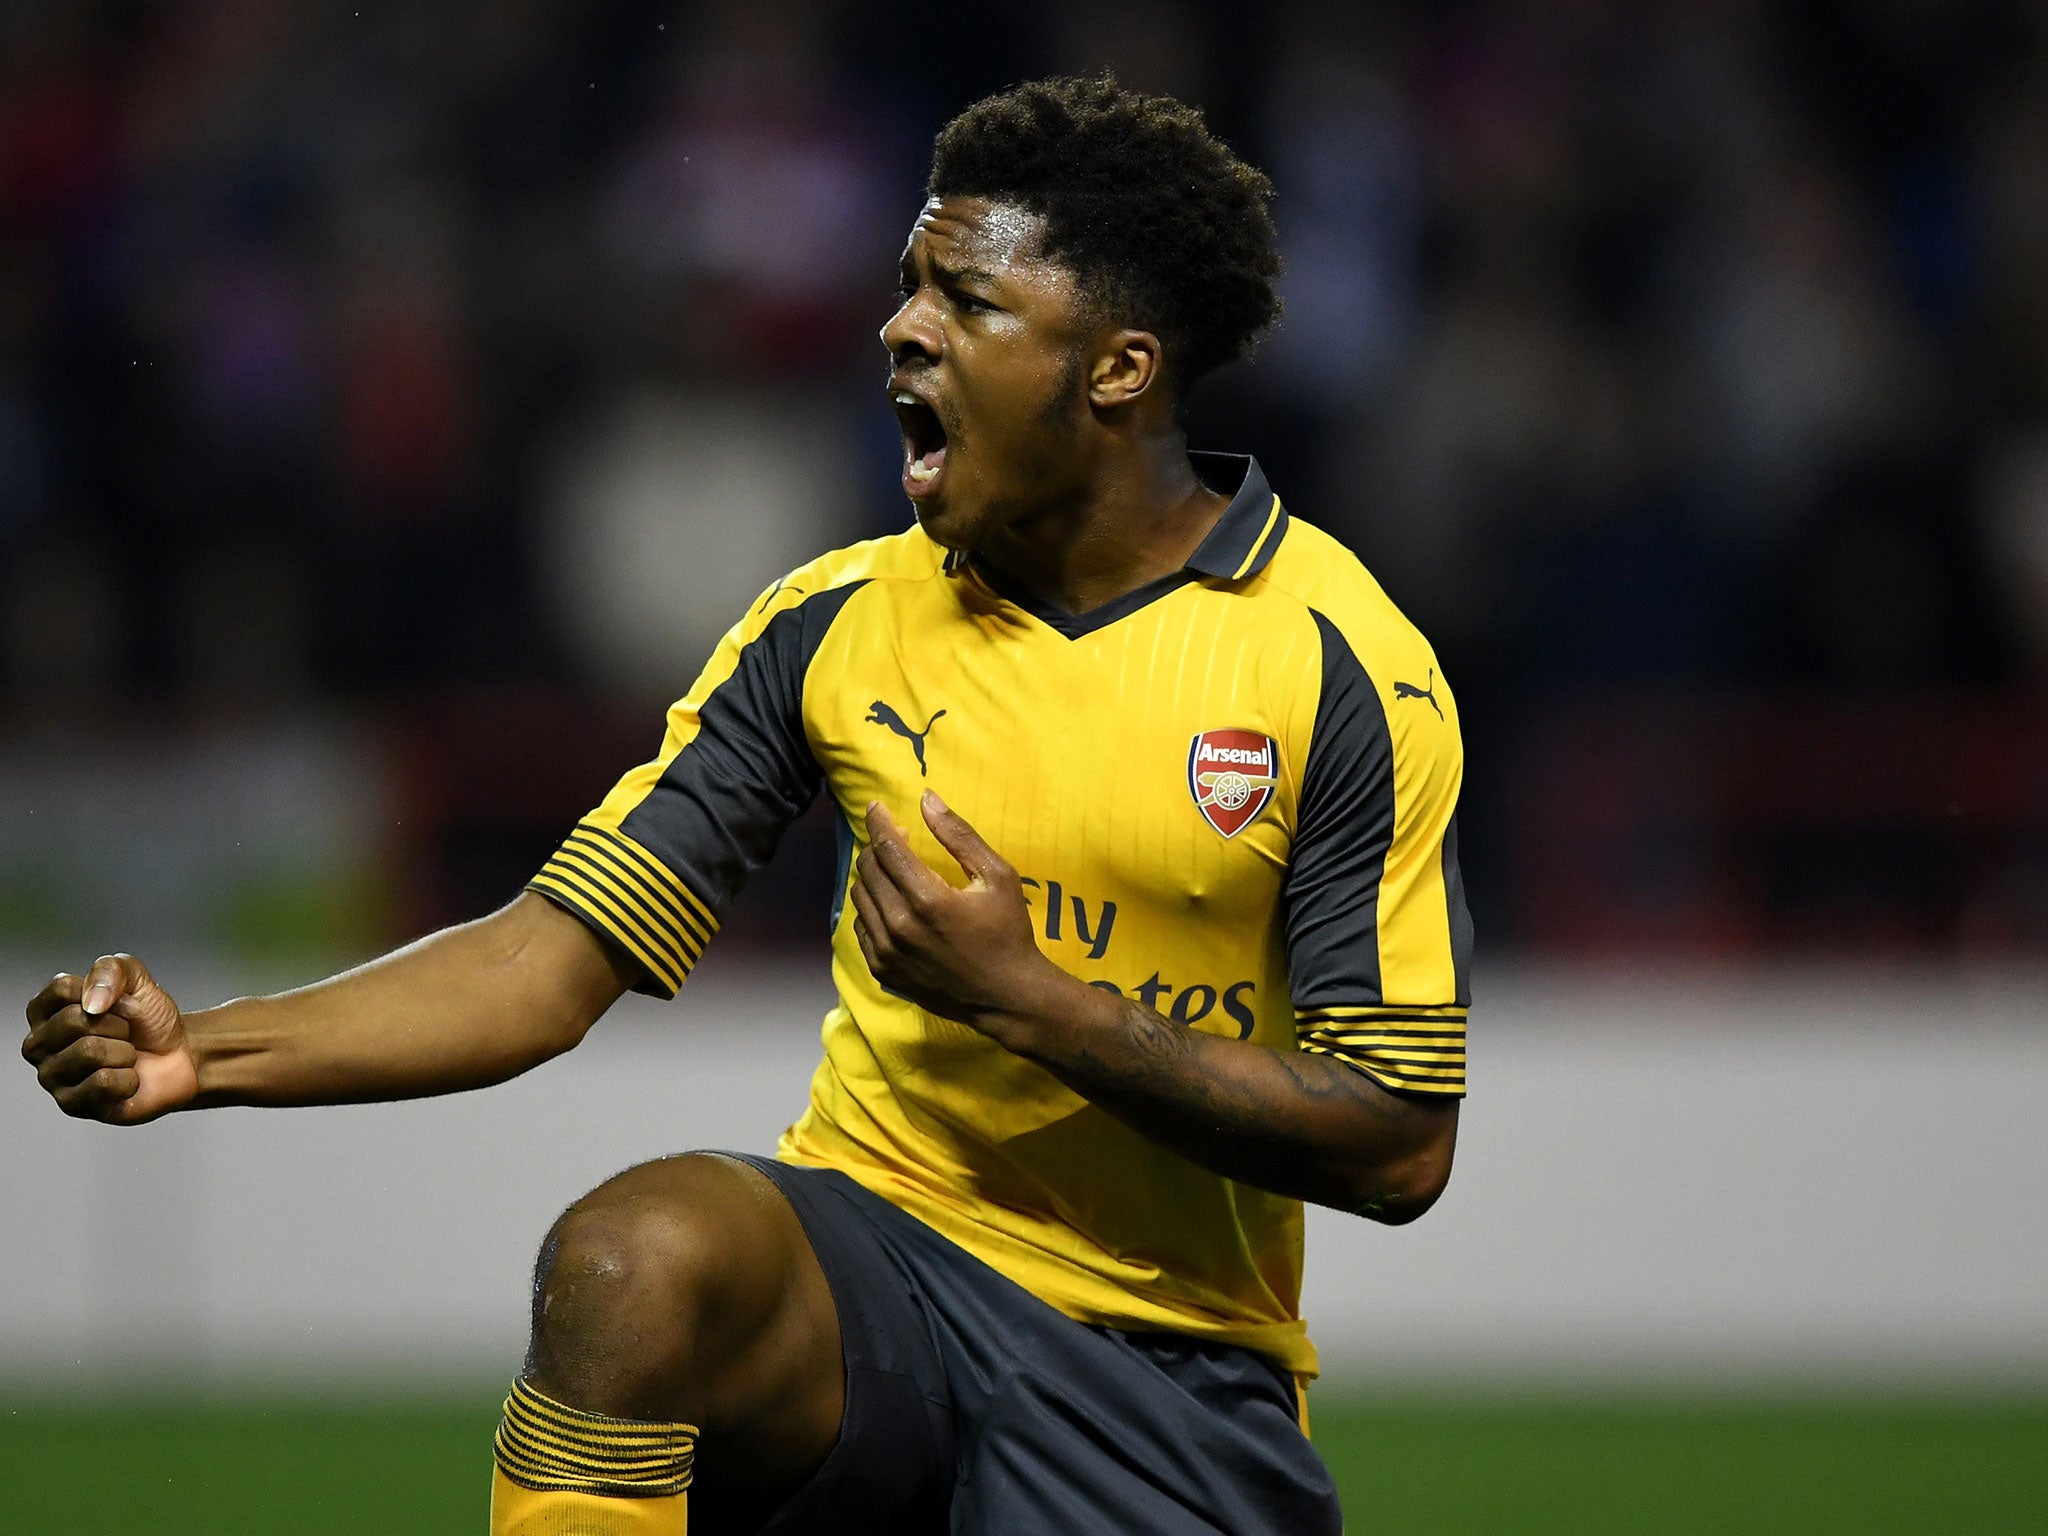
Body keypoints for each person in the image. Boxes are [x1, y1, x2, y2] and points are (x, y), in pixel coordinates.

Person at [21, 76, 1470, 1535]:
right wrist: (202, 1054)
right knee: (633, 1263)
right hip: (881, 1284)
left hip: (1172, 1381)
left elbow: (1399, 1143)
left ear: (1117, 368)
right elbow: (544, 963)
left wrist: (1034, 1001)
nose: (901, 330)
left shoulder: (1337, 667)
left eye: (966, 302)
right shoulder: (831, 625)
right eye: (907, 289)